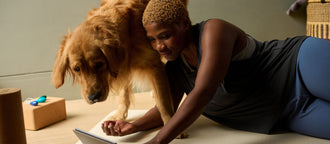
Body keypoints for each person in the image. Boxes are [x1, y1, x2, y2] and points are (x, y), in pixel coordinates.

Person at [101, 0, 330, 143]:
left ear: (184, 23)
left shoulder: (213, 31)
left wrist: (158, 141)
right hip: (289, 112)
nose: (160, 46)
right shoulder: (174, 68)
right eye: (152, 40)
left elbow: (203, 91)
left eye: (165, 36)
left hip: (299, 64)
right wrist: (135, 126)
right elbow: (166, 109)